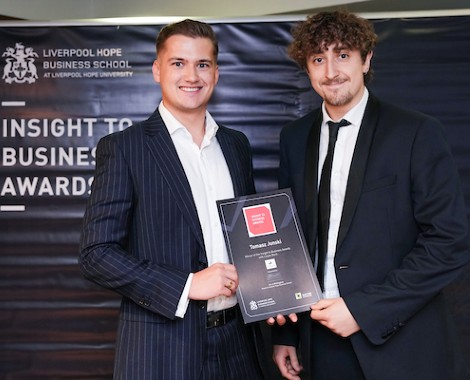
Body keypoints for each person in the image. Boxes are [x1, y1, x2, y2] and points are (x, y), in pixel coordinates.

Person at [269, 10, 470, 380]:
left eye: (342, 54)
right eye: (318, 58)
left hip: (397, 341)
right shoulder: (294, 139)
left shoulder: (416, 132)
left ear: (366, 59)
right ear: (307, 67)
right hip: (317, 340)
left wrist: (364, 309)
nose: (331, 71)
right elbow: (288, 239)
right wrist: (286, 333)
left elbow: (449, 242)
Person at [79, 19, 267, 380]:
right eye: (178, 63)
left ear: (216, 72)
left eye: (202, 64)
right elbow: (95, 255)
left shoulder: (235, 145)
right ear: (156, 70)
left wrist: (274, 289)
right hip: (164, 349)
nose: (191, 76)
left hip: (241, 344)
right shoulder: (124, 148)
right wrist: (187, 285)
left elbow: (249, 235)